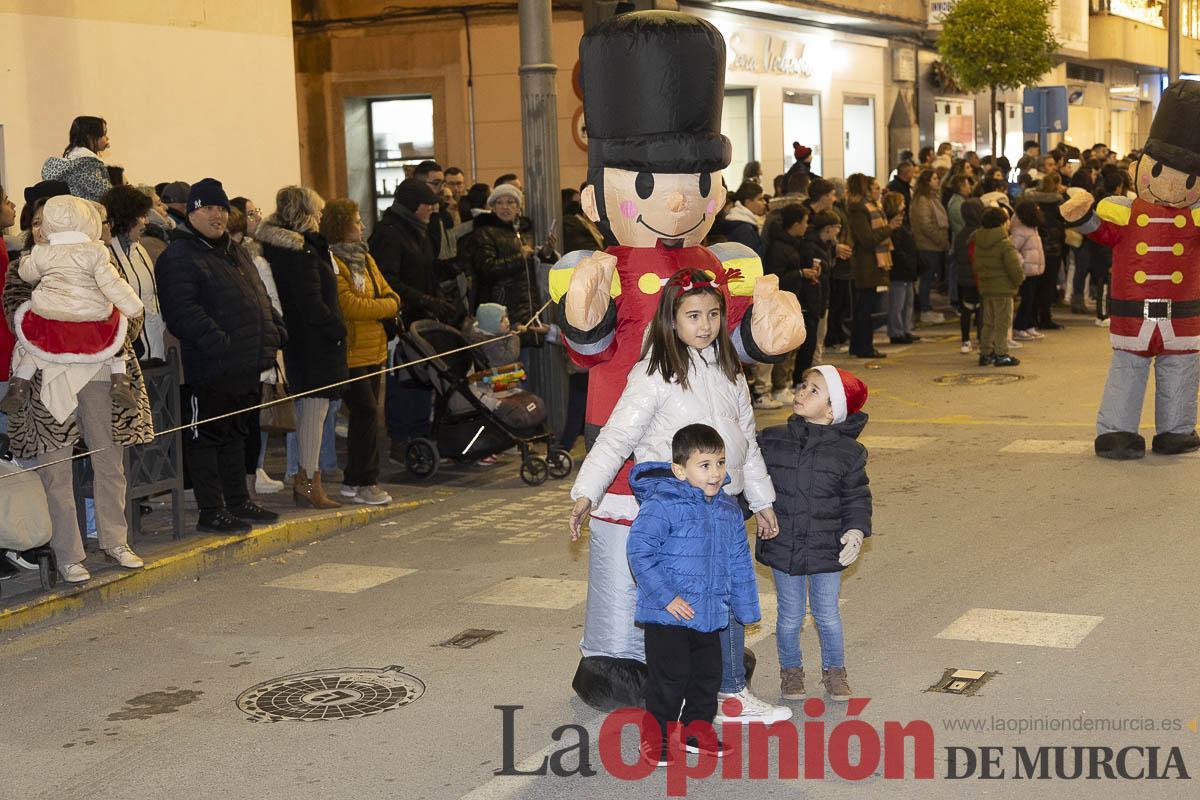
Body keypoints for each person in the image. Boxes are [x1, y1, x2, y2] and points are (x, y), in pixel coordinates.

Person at [569, 267, 789, 726]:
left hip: (722, 505)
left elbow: (744, 441)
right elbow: (615, 438)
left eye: (713, 314)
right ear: (672, 319)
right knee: (686, 604)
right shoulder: (652, 375)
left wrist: (763, 500)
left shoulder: (730, 373)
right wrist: (587, 493)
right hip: (674, 509)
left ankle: (724, 691)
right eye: (693, 315)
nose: (705, 325)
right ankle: (704, 695)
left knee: (724, 595)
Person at [626, 423, 761, 766]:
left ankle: (696, 731)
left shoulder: (729, 511)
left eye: (719, 463)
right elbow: (640, 553)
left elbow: (739, 562)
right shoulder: (662, 505)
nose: (715, 473)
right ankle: (655, 736)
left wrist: (746, 607)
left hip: (709, 612)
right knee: (669, 678)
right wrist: (666, 597)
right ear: (679, 469)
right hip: (668, 614)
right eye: (704, 465)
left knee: (706, 676)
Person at [156, 178, 285, 532]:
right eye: (207, 208)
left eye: (221, 209)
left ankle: (239, 502)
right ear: (192, 212)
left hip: (245, 363)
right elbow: (182, 312)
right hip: (209, 366)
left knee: (236, 434)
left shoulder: (234, 250)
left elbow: (259, 296)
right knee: (206, 437)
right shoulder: (179, 255)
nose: (216, 216)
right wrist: (221, 342)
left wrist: (273, 331)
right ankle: (211, 510)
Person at [757, 364, 870, 702]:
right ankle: (791, 672)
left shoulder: (849, 453)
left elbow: (857, 497)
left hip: (826, 547)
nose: (801, 392)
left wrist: (855, 530)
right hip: (784, 542)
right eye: (803, 385)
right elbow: (753, 483)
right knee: (789, 617)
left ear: (833, 409)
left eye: (814, 390)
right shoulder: (773, 439)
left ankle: (835, 671)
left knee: (827, 615)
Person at [1, 195, 143, 416]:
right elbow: (113, 285)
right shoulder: (97, 252)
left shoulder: (40, 254)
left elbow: (26, 272)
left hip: (54, 323)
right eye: (35, 223)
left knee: (30, 346)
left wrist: (29, 264)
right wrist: (133, 306)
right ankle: (120, 380)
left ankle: (18, 384)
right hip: (89, 322)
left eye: (43, 223)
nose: (39, 230)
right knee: (116, 330)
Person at [257, 186, 347, 509]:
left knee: (313, 413)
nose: (322, 217)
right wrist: (336, 327)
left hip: (307, 342)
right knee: (313, 413)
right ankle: (308, 483)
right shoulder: (300, 252)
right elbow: (310, 303)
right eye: (318, 211)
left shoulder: (291, 249)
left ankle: (308, 481)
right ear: (305, 213)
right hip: (312, 344)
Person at [321, 199, 400, 506]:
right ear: (342, 225)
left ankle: (356, 479)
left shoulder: (365, 258)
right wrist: (385, 307)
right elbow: (350, 307)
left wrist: (385, 306)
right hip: (351, 353)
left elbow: (388, 292)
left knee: (367, 417)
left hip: (375, 349)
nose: (362, 226)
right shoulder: (334, 262)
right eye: (356, 221)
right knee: (365, 411)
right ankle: (364, 479)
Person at [467, 183, 552, 349]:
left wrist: (544, 254)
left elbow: (530, 267)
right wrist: (519, 257)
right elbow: (487, 268)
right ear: (492, 207)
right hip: (501, 310)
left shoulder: (524, 231)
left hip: (527, 306)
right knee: (507, 361)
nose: (505, 207)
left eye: (510, 202)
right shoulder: (484, 232)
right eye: (499, 202)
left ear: (518, 208)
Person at [102, 185, 167, 363]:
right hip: (126, 357)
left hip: (155, 350)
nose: (146, 222)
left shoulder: (141, 250)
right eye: (142, 216)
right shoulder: (105, 256)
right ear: (126, 217)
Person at [845, 174, 899, 359]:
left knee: (865, 307)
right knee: (865, 308)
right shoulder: (860, 210)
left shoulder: (875, 207)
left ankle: (859, 346)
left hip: (873, 264)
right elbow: (867, 239)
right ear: (866, 190)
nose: (879, 190)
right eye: (875, 188)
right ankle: (864, 347)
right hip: (866, 264)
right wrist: (889, 227)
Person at [972, 207, 1023, 367]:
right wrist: (1018, 281)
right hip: (1003, 289)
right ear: (1002, 223)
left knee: (988, 322)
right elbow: (1014, 268)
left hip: (987, 287)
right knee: (1002, 322)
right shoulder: (1004, 244)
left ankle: (985, 352)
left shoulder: (978, 241)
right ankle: (1001, 354)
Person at [1022, 173, 1068, 331]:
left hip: (1035, 246)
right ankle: (1045, 317)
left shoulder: (1031, 200)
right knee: (1049, 285)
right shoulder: (1059, 202)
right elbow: (1064, 221)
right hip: (1053, 248)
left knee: (1034, 285)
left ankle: (1032, 317)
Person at [40, 116, 112, 201]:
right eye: (104, 134)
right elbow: (108, 194)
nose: (107, 138)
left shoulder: (70, 162)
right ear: (89, 137)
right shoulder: (87, 166)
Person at [910, 168, 950, 314]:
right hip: (928, 245)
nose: (937, 180)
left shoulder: (933, 198)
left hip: (935, 245)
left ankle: (925, 305)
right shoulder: (922, 200)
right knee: (926, 278)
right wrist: (940, 239)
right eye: (934, 178)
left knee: (929, 277)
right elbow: (925, 225)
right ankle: (924, 307)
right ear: (926, 182)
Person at [884, 192, 919, 344]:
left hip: (907, 269)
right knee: (897, 304)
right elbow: (895, 247)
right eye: (902, 201)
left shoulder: (901, 222)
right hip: (899, 270)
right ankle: (896, 332)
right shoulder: (892, 224)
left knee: (907, 303)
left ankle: (906, 329)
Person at [1010, 200, 1047, 340]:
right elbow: (1012, 249)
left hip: (1035, 270)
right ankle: (1019, 327)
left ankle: (1029, 325)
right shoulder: (1020, 230)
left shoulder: (1032, 227)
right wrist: (1023, 263)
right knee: (1027, 300)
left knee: (1033, 300)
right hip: (1027, 271)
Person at [953, 198, 985, 353]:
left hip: (964, 277)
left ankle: (965, 340)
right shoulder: (981, 233)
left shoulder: (961, 234)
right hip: (979, 277)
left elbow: (958, 256)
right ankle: (980, 338)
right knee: (981, 308)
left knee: (966, 309)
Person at [720, 182, 767, 258]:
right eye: (760, 199)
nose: (764, 202)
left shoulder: (738, 222)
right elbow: (749, 260)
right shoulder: (745, 229)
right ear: (748, 202)